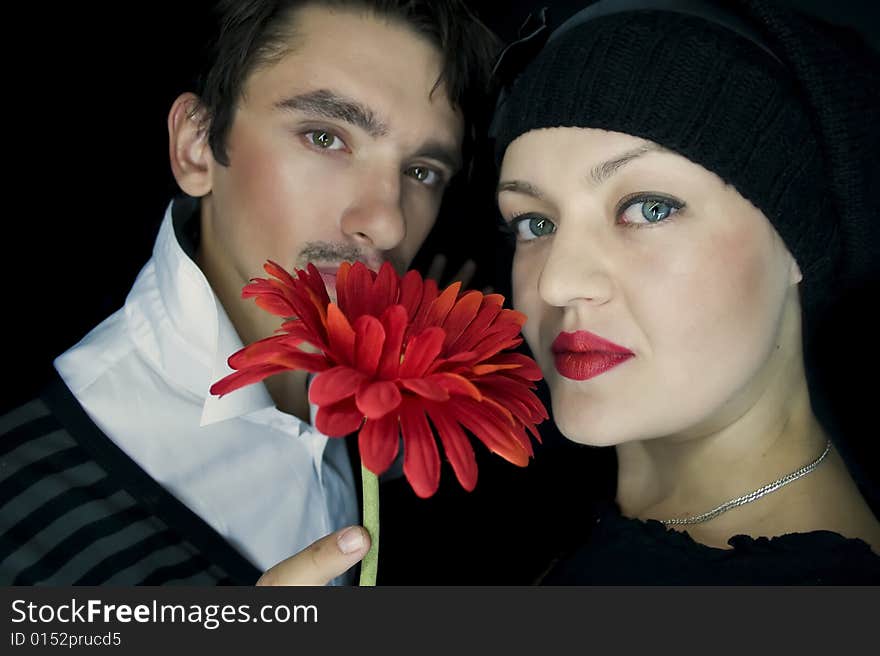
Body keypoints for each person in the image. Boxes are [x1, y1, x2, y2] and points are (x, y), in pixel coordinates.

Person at [0, 0, 501, 586]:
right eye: (325, 137)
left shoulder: (388, 419)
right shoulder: (21, 508)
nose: (388, 224)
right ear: (196, 146)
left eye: (422, 172)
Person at [487, 0, 880, 583]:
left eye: (649, 208)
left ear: (797, 238)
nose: (558, 282)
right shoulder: (518, 500)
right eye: (535, 224)